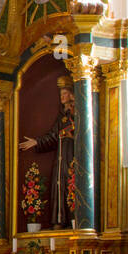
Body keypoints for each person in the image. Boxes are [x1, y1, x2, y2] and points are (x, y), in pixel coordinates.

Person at [19, 77, 76, 227]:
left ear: (71, 94)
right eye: (61, 94)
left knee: (72, 186)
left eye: (64, 93)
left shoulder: (78, 114)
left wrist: (74, 135)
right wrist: (36, 142)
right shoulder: (62, 117)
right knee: (59, 185)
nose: (61, 97)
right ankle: (59, 220)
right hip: (61, 158)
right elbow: (52, 136)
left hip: (73, 157)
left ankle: (74, 220)